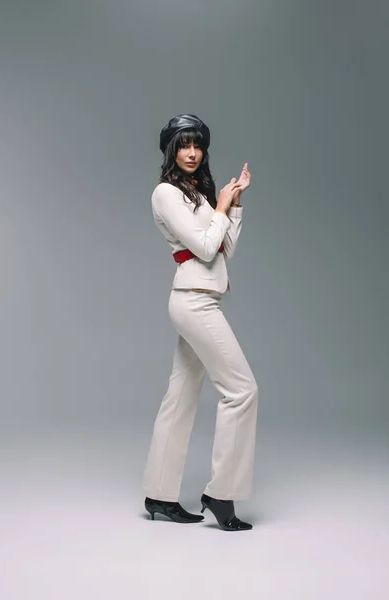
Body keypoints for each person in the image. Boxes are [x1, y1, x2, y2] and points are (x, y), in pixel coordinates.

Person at [142, 114, 258, 531]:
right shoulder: (166, 194)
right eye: (183, 145)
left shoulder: (197, 193)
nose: (192, 153)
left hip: (204, 299)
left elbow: (226, 248)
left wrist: (235, 205)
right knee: (242, 391)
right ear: (171, 150)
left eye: (197, 145)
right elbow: (206, 248)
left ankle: (158, 495)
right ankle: (221, 493)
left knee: (182, 396)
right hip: (194, 302)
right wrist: (222, 207)